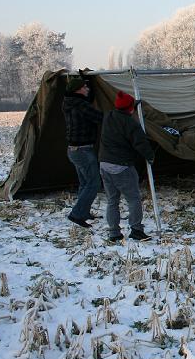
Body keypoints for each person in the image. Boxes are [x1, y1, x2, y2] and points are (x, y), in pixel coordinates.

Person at [99, 91, 155, 241]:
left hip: (104, 164)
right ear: (130, 108)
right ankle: (136, 230)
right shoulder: (130, 123)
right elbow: (141, 143)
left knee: (112, 200)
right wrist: (150, 156)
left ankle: (114, 233)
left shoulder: (108, 117)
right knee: (134, 199)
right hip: (122, 167)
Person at [62, 76, 103, 228]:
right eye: (85, 87)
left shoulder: (69, 102)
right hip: (83, 150)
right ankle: (77, 214)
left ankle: (83, 211)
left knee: (85, 183)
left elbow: (87, 105)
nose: (87, 89)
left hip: (74, 150)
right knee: (93, 183)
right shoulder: (81, 105)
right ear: (78, 90)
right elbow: (99, 117)